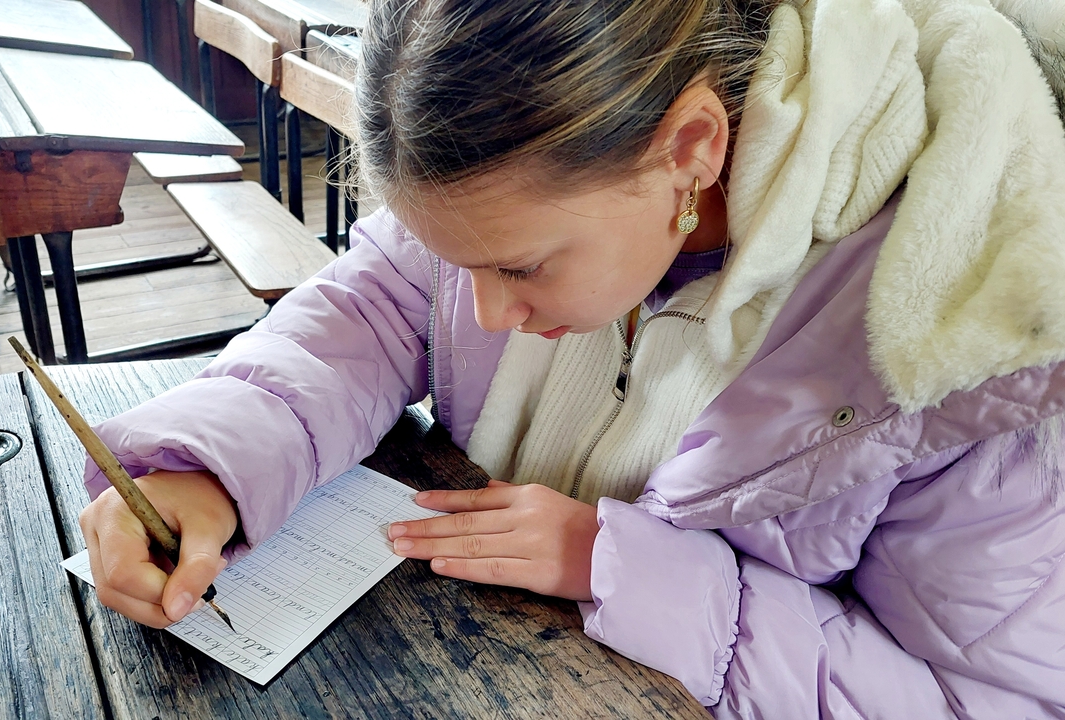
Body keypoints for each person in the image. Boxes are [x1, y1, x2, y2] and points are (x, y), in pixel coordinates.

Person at [77, 0, 1065, 714]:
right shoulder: (529, 163)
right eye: (453, 257)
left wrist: (615, 565)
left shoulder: (966, 338)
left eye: (519, 266)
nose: (484, 314)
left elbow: (983, 696)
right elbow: (369, 311)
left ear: (689, 149)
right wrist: (207, 470)